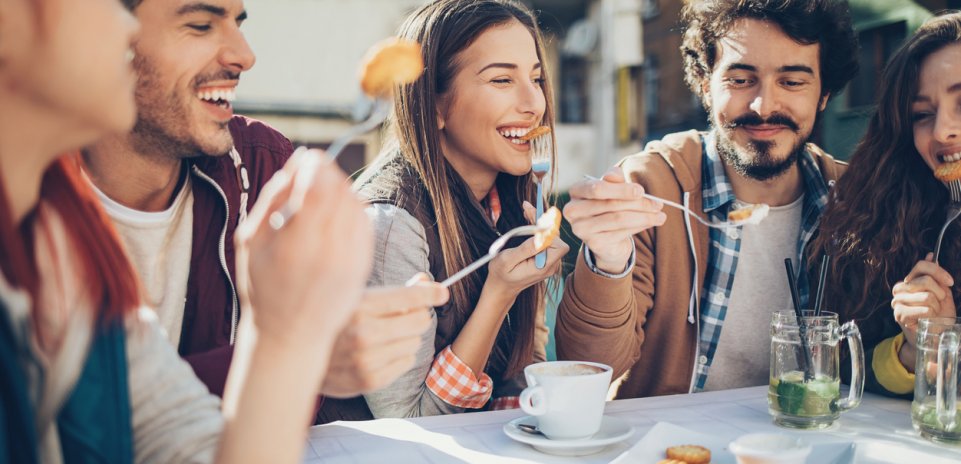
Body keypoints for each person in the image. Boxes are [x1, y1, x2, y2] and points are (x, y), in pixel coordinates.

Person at [0, 0, 374, 464]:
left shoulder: (64, 246)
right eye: (107, 5)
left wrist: (285, 336)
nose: (124, 27)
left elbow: (202, 462)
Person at [81, 0, 447, 422]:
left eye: (238, 23)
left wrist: (325, 345)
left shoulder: (262, 167)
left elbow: (301, 403)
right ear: (99, 33)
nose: (245, 56)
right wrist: (286, 353)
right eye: (200, 25)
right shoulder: (31, 198)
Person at [556, 0, 858, 398]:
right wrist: (608, 260)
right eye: (740, 79)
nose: (763, 106)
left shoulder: (854, 201)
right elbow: (589, 369)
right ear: (704, 84)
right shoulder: (651, 187)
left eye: (792, 82)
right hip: (670, 450)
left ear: (824, 94)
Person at [354, 0, 569, 417]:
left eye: (537, 78)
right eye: (502, 80)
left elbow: (520, 374)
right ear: (434, 106)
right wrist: (499, 293)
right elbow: (407, 422)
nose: (534, 103)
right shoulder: (390, 223)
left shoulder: (510, 205)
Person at [814, 11, 961, 399]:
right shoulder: (896, 226)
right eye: (922, 115)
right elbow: (847, 368)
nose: (943, 129)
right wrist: (920, 346)